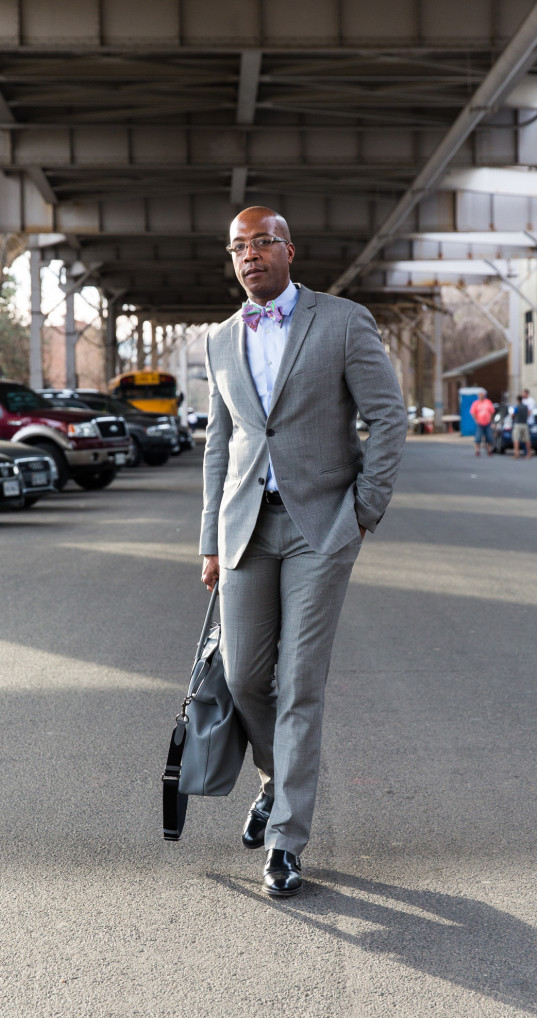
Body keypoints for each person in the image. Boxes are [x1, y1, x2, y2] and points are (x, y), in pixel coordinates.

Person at [199, 206, 407, 898]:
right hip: (245, 530)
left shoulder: (342, 322)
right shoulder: (222, 339)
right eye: (238, 247)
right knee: (244, 676)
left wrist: (364, 509)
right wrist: (208, 541)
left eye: (262, 242)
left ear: (290, 250)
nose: (249, 254)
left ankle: (286, 839)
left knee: (299, 683)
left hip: (321, 526)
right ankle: (270, 781)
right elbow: (219, 447)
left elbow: (387, 417)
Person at [469, 388, 495, 456]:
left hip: (487, 423)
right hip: (479, 423)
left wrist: (490, 419)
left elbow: (492, 411)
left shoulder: (488, 402)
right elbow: (473, 412)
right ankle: (477, 451)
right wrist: (476, 420)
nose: (481, 396)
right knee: (478, 437)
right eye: (480, 395)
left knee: (489, 437)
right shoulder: (476, 403)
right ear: (478, 396)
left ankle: (489, 450)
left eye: (482, 395)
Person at [512, 394, 533, 458]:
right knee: (527, 440)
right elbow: (529, 413)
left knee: (516, 439)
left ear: (518, 400)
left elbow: (513, 415)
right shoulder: (526, 407)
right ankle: (529, 454)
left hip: (518, 424)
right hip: (525, 424)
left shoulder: (517, 407)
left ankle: (516, 454)